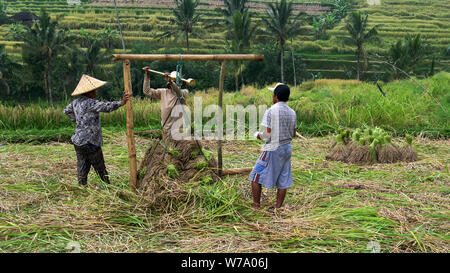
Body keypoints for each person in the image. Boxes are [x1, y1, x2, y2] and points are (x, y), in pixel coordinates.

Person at [64, 74, 130, 186]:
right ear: (88, 92)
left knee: (82, 164)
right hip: (90, 142)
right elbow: (106, 107)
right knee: (100, 167)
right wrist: (121, 103)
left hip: (78, 141)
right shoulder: (91, 103)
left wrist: (77, 121)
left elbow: (67, 110)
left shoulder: (75, 102)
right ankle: (108, 187)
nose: (96, 92)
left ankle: (82, 186)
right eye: (94, 90)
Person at [248, 83, 297, 211]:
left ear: (276, 96)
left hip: (273, 148)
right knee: (283, 178)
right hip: (287, 148)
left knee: (256, 175)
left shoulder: (271, 111)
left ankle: (256, 205)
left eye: (273, 94)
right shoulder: (292, 112)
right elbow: (294, 134)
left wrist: (258, 135)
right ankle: (278, 207)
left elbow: (267, 134)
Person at [142, 67, 189, 140]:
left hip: (179, 130)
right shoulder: (163, 92)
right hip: (166, 129)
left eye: (175, 81)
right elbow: (147, 91)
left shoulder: (184, 92)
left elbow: (179, 93)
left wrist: (171, 82)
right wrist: (147, 76)